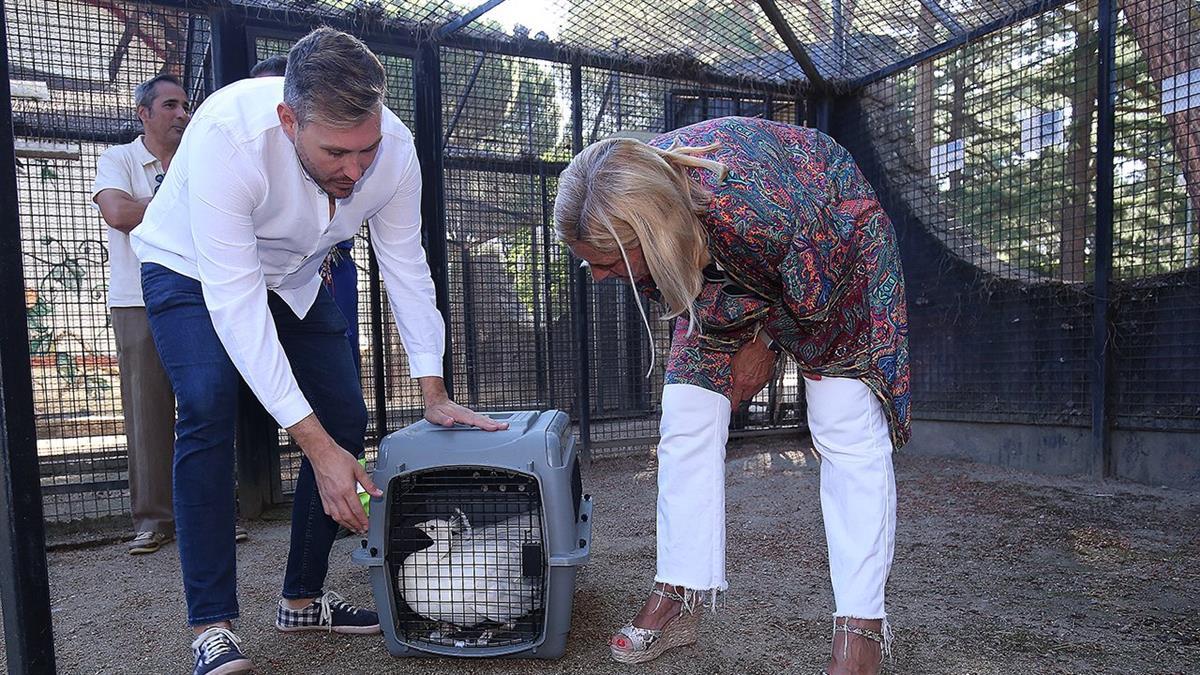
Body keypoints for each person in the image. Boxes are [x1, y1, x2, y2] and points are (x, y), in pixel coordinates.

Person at [130, 28, 505, 675]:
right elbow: (238, 305)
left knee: (344, 414)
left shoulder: (394, 152)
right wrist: (313, 444)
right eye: (336, 151)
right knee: (208, 403)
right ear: (287, 119)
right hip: (192, 268)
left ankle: (302, 599)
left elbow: (405, 265)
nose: (355, 170)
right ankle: (212, 626)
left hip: (296, 274)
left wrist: (433, 389)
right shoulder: (228, 136)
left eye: (367, 148)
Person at [554, 116, 910, 674]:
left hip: (835, 250)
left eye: (604, 263)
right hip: (720, 260)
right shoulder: (636, 191)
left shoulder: (755, 207)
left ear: (648, 239)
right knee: (686, 412)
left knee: (844, 426)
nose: (595, 276)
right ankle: (680, 595)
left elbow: (812, 281)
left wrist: (764, 342)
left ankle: (861, 632)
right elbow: (698, 277)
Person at [92, 75, 249, 556]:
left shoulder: (198, 158)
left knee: (209, 403)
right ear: (144, 113)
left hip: (196, 295)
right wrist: (174, 202)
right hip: (135, 298)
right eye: (170, 105)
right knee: (147, 410)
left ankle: (220, 512)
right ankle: (154, 519)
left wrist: (149, 206)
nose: (182, 113)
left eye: (186, 105)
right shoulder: (117, 158)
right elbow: (117, 213)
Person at [251, 54, 361, 370]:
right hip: (257, 277)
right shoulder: (248, 153)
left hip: (326, 269)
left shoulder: (335, 151)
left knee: (336, 363)